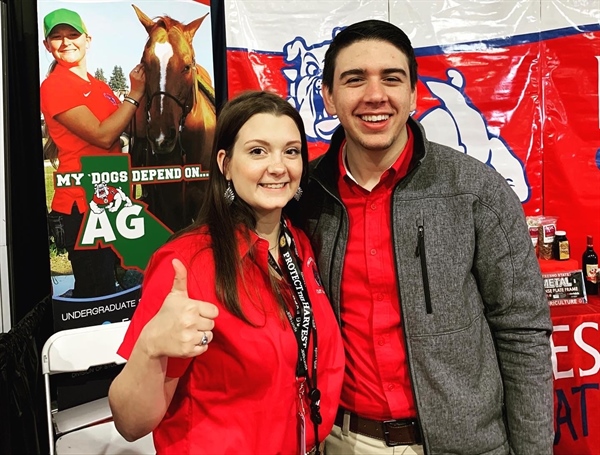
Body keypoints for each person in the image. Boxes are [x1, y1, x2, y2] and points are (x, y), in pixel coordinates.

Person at [299, 19, 554, 455]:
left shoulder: (476, 190)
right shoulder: (304, 197)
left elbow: (522, 332)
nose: (375, 95)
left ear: (414, 94)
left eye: (392, 79)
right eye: (354, 79)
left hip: (468, 445)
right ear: (328, 96)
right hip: (342, 441)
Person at [108, 90, 345, 454]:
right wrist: (151, 347)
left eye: (291, 151)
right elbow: (130, 423)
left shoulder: (298, 245)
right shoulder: (187, 259)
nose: (278, 166)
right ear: (225, 163)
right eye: (257, 151)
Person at [40, 8, 145, 297]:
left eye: (72, 34)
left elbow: (129, 126)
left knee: (129, 284)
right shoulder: (54, 86)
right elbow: (103, 135)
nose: (66, 42)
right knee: (96, 294)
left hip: (113, 199)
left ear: (88, 39)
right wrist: (135, 94)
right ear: (47, 46)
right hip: (83, 204)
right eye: (57, 37)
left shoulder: (101, 88)